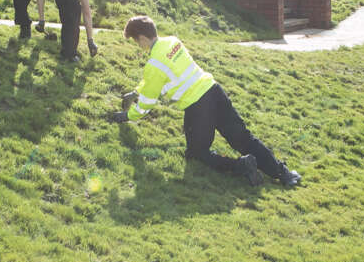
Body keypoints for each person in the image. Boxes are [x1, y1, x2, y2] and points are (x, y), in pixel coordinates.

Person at [108, 15, 302, 187]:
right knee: (243, 138)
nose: (138, 45)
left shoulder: (154, 64)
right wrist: (136, 91)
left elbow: (147, 103)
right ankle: (283, 173)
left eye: (136, 41)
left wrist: (127, 116)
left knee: (197, 154)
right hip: (214, 91)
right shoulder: (173, 42)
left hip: (198, 107)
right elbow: (157, 78)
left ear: (142, 38)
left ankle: (242, 165)